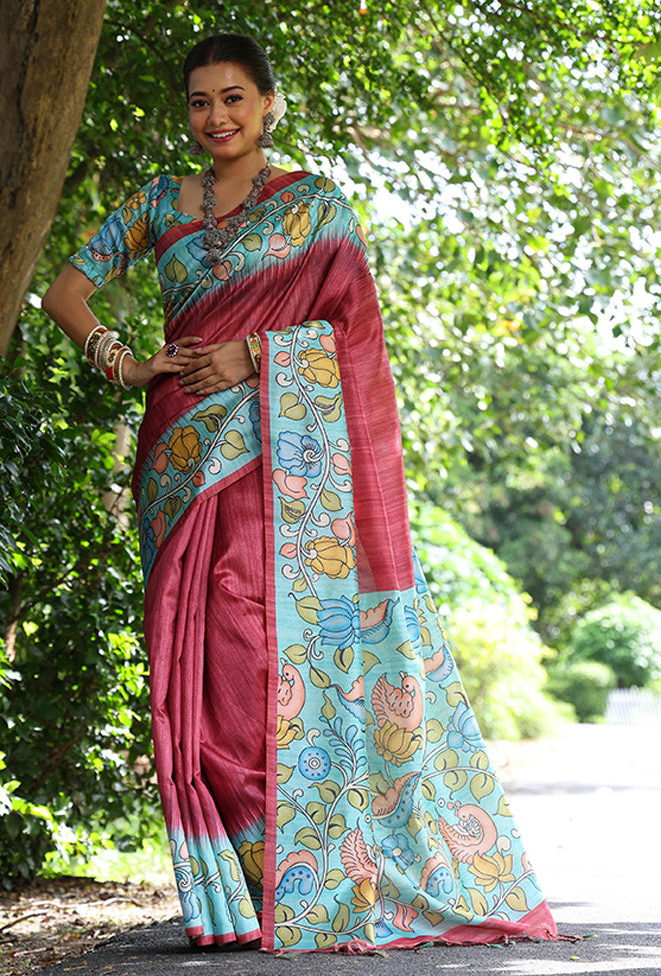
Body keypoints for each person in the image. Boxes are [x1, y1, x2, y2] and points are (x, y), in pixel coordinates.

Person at [42, 33, 560, 954]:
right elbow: (66, 289)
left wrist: (256, 354)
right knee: (192, 669)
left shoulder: (316, 207)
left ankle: (299, 868)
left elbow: (353, 331)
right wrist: (127, 365)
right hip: (176, 461)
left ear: (270, 104)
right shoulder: (159, 201)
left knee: (252, 640)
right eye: (200, 102)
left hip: (278, 460)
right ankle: (240, 890)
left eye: (234, 98)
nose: (217, 118)